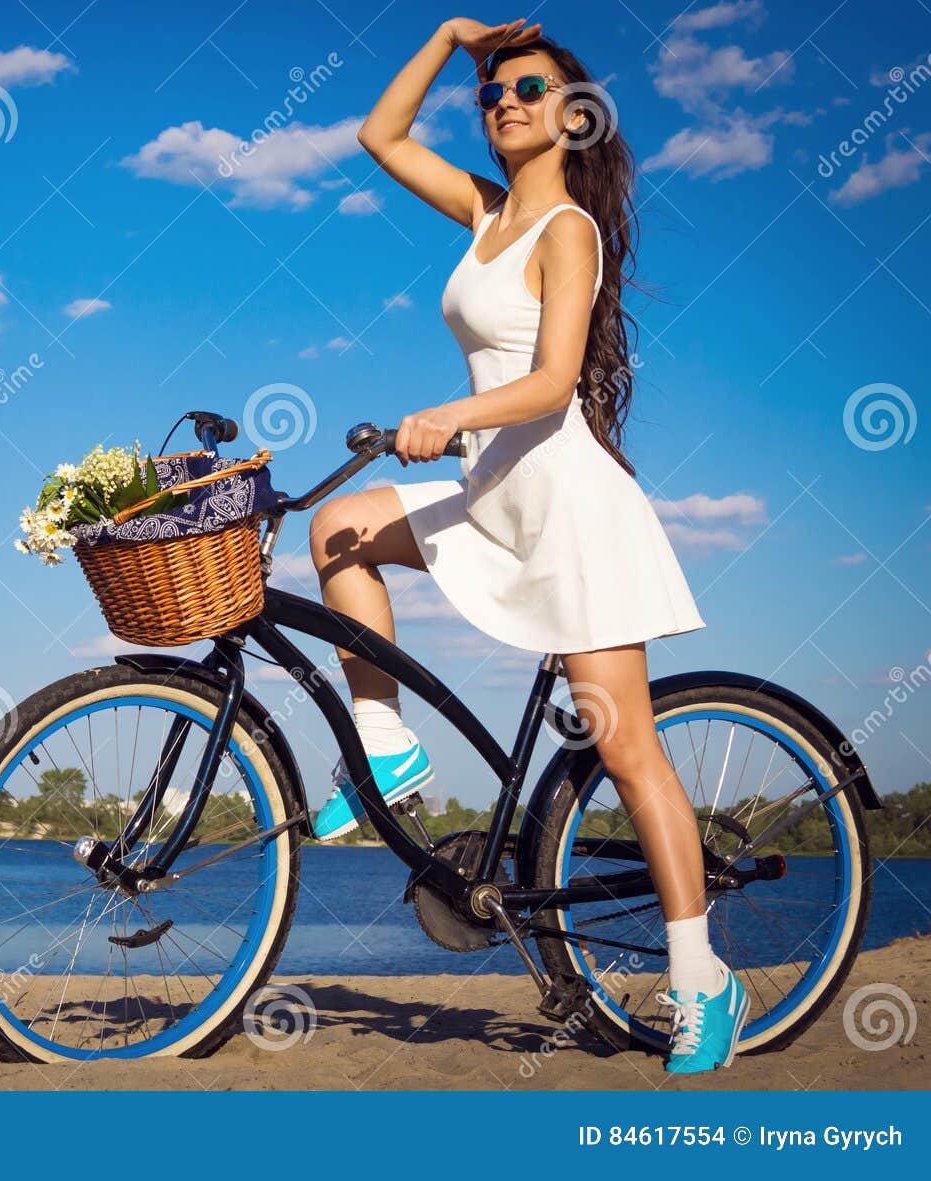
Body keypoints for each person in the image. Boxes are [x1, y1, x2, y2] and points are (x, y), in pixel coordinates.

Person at [309, 17, 746, 1074]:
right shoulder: (485, 211)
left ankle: (702, 980)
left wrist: (449, 415)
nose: (504, 101)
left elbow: (552, 383)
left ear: (573, 114)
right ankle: (385, 740)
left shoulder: (567, 233)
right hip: (492, 495)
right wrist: (451, 34)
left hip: (572, 515)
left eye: (530, 87)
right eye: (494, 91)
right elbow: (379, 134)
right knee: (337, 527)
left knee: (627, 748)